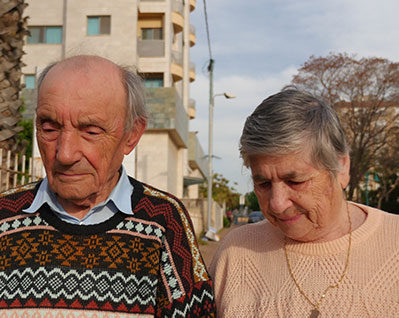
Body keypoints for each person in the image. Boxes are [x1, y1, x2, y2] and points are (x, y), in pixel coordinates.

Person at [0, 55, 215, 317]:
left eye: (90, 131)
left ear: (132, 135)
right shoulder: (4, 217)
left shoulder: (164, 220)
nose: (65, 154)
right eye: (49, 128)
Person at [210, 88, 399, 317]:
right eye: (263, 184)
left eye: (295, 181)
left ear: (341, 168)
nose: (277, 204)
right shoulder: (234, 253)